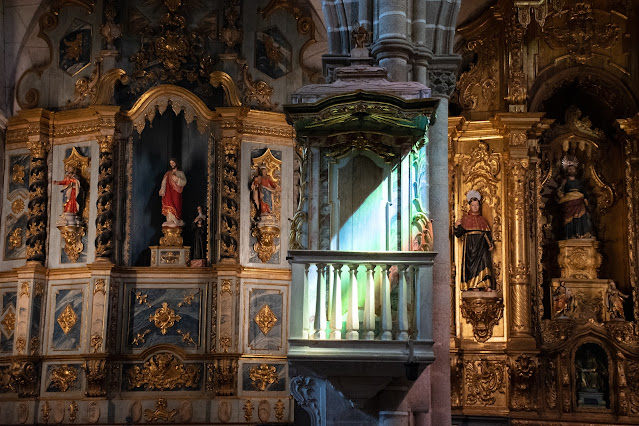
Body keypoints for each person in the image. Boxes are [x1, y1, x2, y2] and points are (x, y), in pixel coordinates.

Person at [454, 190, 495, 291]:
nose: (475, 207)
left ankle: (486, 285)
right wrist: (456, 226)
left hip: (482, 246)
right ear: (470, 206)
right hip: (470, 247)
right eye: (473, 205)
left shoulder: (483, 220)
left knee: (484, 263)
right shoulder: (465, 219)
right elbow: (458, 234)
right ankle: (473, 285)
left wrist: (490, 244)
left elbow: (487, 234)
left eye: (477, 205)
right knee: (471, 267)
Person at [558, 156, 593, 239]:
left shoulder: (578, 182)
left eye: (573, 169)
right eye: (569, 169)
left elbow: (583, 191)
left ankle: (581, 233)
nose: (571, 170)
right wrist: (560, 194)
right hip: (569, 201)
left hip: (579, 201)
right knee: (570, 218)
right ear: (567, 171)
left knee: (582, 216)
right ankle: (570, 235)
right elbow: (560, 190)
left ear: (576, 171)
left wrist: (585, 199)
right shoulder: (565, 181)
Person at [159, 158, 187, 226]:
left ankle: (176, 219)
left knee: (177, 204)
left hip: (176, 192)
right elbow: (164, 182)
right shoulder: (168, 173)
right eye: (170, 163)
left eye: (173, 163)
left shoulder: (180, 173)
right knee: (169, 204)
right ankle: (170, 220)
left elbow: (184, 182)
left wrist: (177, 179)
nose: (172, 165)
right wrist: (162, 189)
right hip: (168, 193)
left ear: (176, 163)